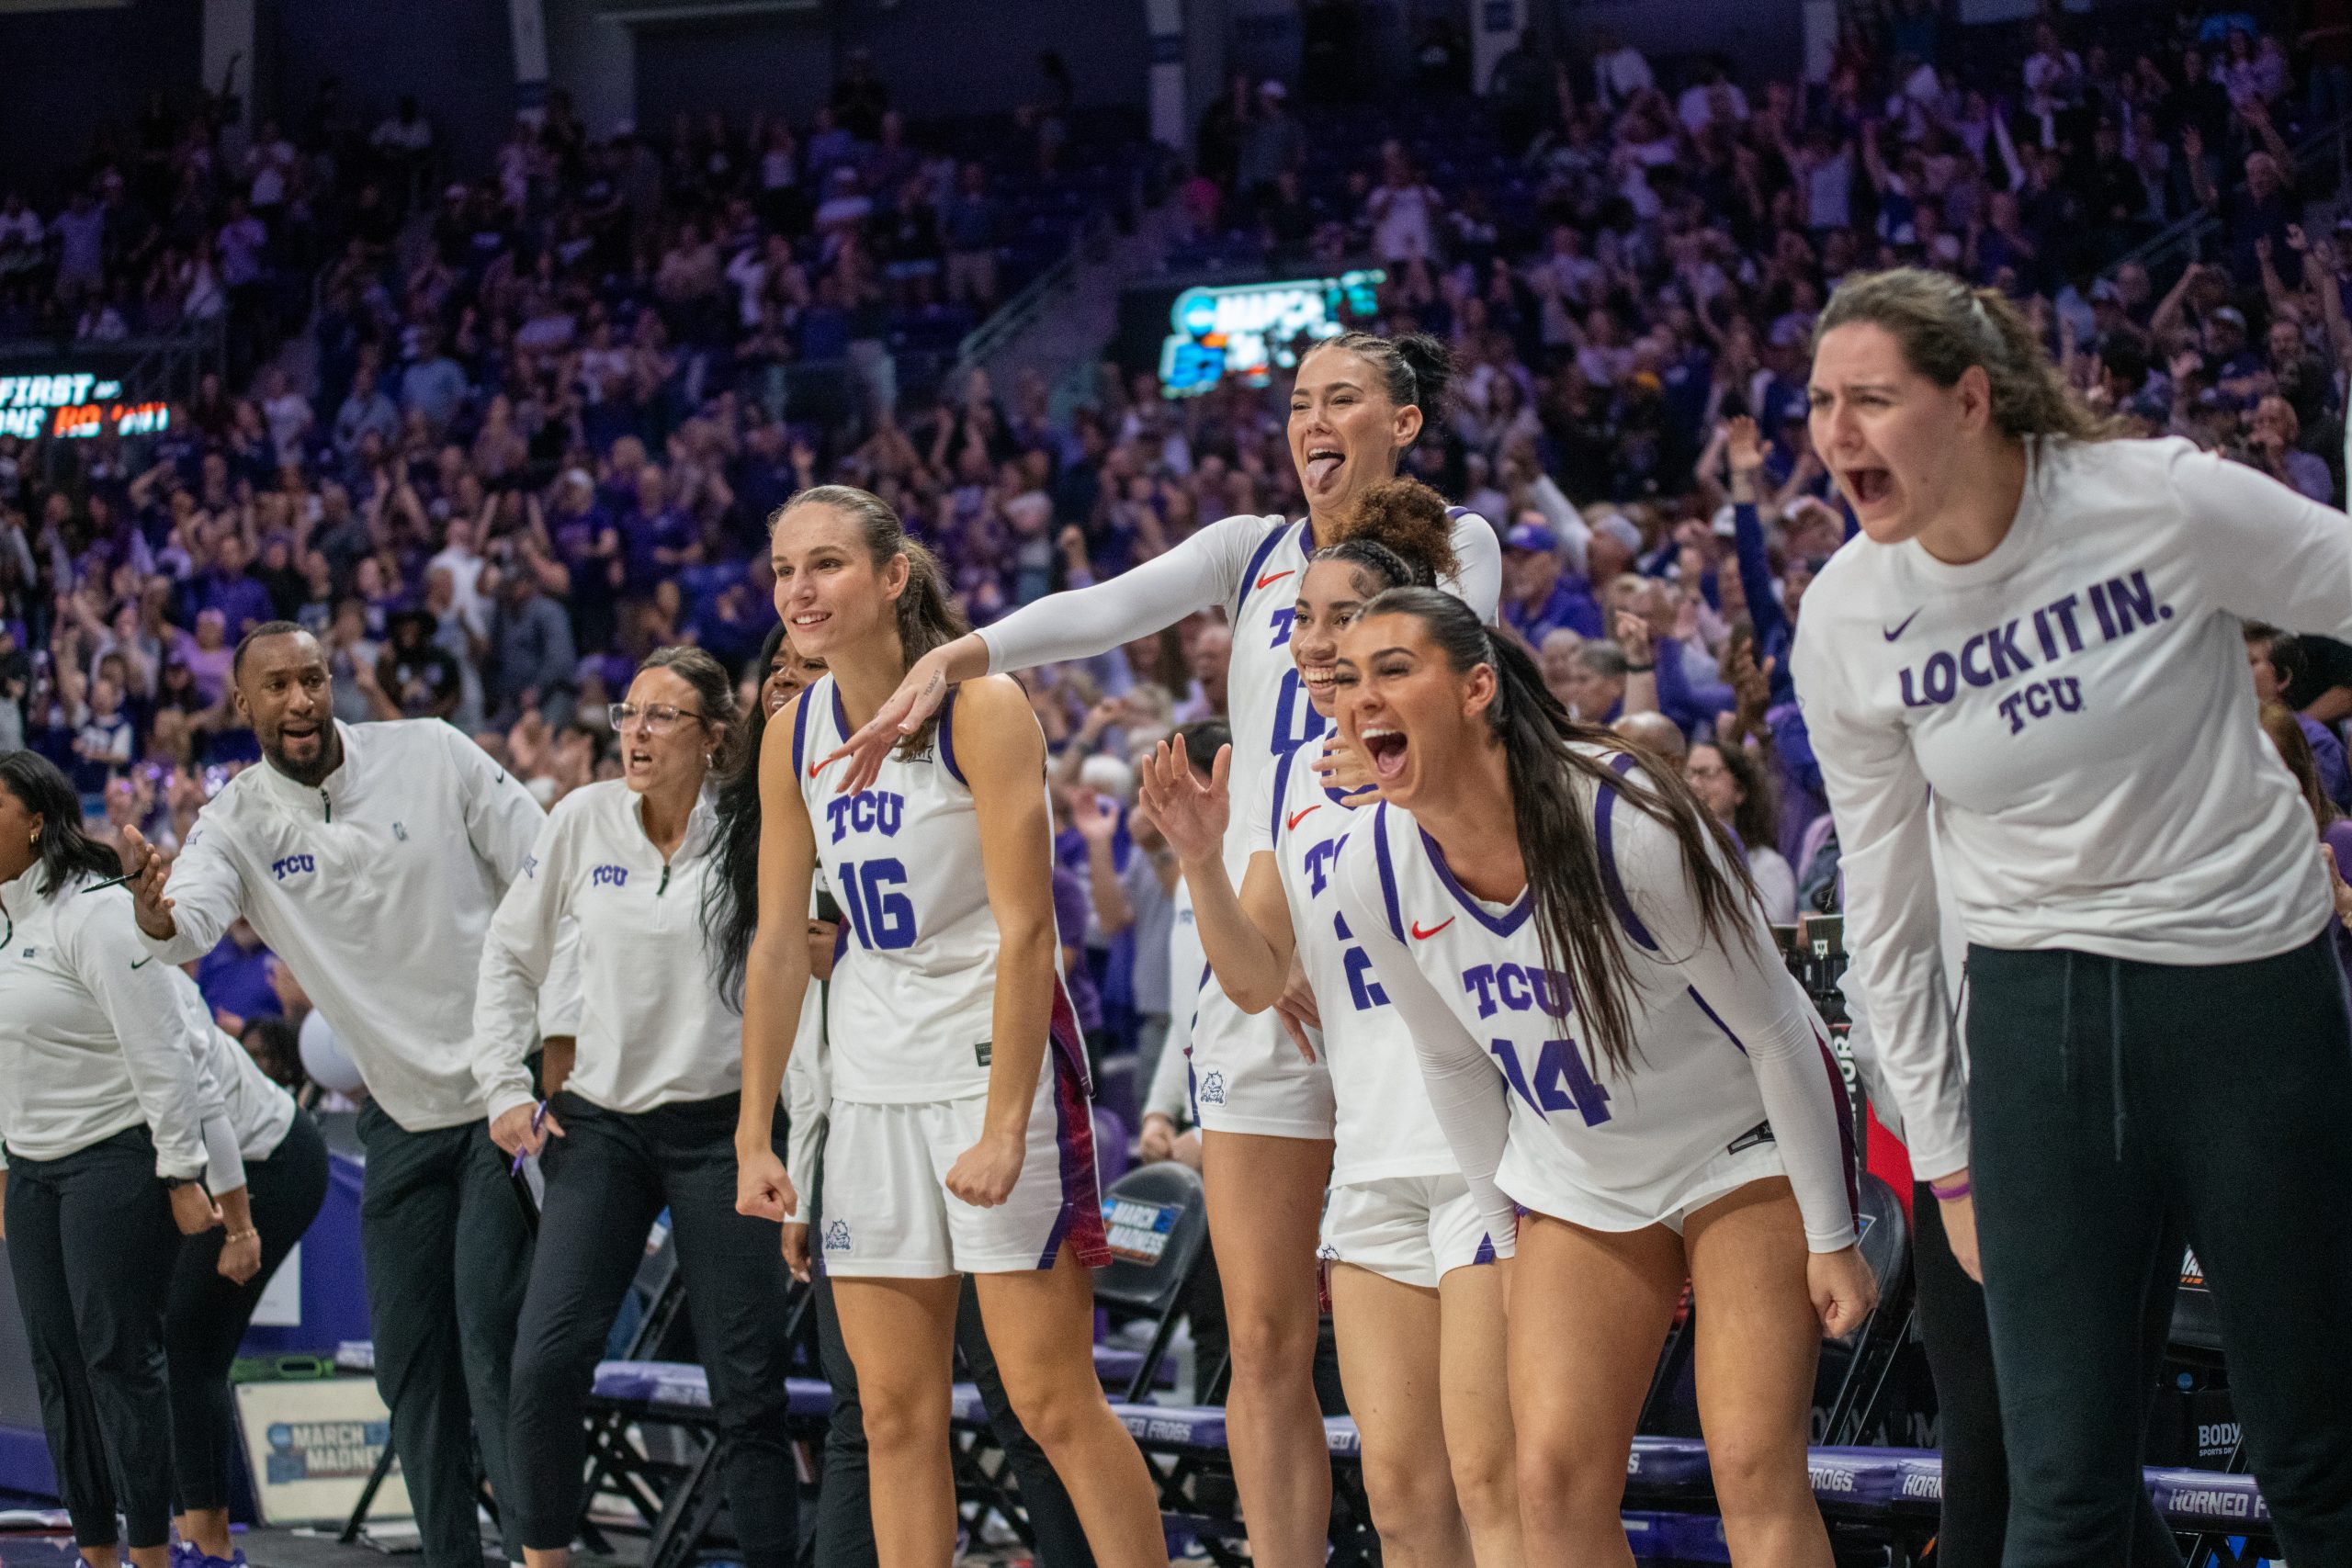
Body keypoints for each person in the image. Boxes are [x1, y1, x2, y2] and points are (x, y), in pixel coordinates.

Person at [822, 332, 1500, 1568]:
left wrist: (1282, 909)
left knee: (1449, 1355)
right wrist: (959, 652)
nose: (1313, 419)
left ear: (1404, 424)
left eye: (1343, 397)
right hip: (1253, 965)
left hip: (1398, 964)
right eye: (1298, 401)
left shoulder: (1459, 550)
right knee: (1263, 1331)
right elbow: (1104, 608)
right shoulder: (1249, 553)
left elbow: (1427, 734)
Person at [1793, 266, 2352, 1566]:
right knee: (2060, 1489)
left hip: (2247, 994)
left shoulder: (2156, 497)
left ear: (1973, 398)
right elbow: (1884, 895)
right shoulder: (1846, 617)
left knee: (2318, 1454)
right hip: (2037, 1018)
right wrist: (1945, 1151)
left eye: (1873, 397)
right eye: (1822, 400)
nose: (1837, 432)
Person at [1323, 588, 1874, 1568]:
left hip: (1731, 1149)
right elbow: (1454, 1062)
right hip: (1579, 1172)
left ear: (1477, 688)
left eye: (1393, 669)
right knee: (1551, 1484)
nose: (1359, 696)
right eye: (1347, 678)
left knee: (1751, 1467)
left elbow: (1778, 1030)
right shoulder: (1370, 865)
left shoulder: (1626, 820)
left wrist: (1831, 1236)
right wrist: (1498, 1236)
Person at [734, 487, 1164, 1567]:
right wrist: (757, 1135)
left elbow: (1030, 937)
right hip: (875, 1074)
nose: (798, 588)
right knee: (890, 1418)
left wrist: (1008, 1125)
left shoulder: (985, 708)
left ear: (892, 578)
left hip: (988, 1063)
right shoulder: (790, 731)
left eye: (825, 564)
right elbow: (780, 946)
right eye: (784, 568)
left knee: (1051, 1401)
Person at [1136, 479, 1521, 1568]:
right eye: (1298, 620)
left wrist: (1411, 772)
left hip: (1488, 1152)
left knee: (1495, 1479)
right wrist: (1202, 860)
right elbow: (1256, 979)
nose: (1308, 642)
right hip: (1370, 1162)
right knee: (1400, 1496)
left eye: (1336, 620)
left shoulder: (1473, 757)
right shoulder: (1296, 778)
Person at [118, 622, 548, 1568]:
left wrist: (555, 1041)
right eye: (276, 686)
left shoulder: (430, 752)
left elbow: (546, 865)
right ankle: (451, 1556)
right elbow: (183, 922)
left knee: (487, 1335)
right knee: (407, 1362)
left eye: (312, 678)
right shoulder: (235, 820)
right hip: (398, 1115)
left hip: (501, 1097)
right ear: (243, 705)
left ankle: (535, 1551)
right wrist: (150, 909)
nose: (301, 699)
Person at [470, 646, 798, 1568]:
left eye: (662, 716)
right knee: (545, 1362)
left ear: (714, 737)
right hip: (602, 1127)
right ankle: (544, 1558)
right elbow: (509, 956)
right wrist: (502, 1085)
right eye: (628, 713)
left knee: (749, 1390)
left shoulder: (754, 827)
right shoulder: (581, 819)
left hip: (724, 1132)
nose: (636, 733)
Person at [0, 750, 222, 1568]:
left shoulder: (94, 910)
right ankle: (96, 1550)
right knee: (57, 1368)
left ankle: (155, 1554)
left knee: (117, 1360)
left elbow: (163, 1046)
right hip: (33, 1171)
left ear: (36, 820)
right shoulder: (1, 917)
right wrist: (3, 1169)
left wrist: (183, 1170)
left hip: (114, 1161)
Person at [164, 964, 330, 1566]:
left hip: (271, 1159)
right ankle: (192, 1537)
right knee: (171, 1345)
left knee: (188, 1343)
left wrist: (239, 1225)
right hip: (208, 1165)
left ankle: (209, 1547)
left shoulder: (137, 977)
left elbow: (205, 1106)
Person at [1685, 741, 1797, 923]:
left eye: (1708, 773)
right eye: (1689, 774)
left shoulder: (1767, 866)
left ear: (1740, 790)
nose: (1695, 784)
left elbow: (1772, 934)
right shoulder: (1677, 853)